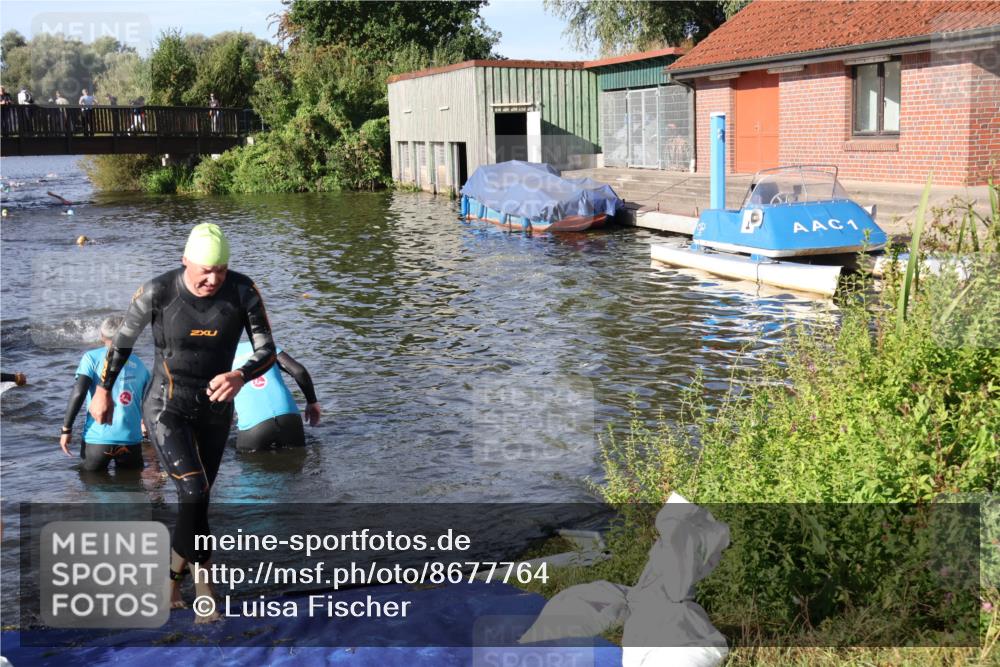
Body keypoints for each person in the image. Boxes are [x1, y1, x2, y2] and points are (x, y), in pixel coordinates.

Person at [88, 222, 275, 621]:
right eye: (205, 269)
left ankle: (170, 581)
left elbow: (267, 350)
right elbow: (121, 343)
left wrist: (240, 374)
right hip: (166, 407)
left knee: (198, 499)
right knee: (192, 488)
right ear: (184, 261)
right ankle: (204, 585)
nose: (213, 279)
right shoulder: (158, 291)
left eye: (221, 270)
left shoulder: (242, 291)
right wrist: (103, 390)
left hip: (215, 408)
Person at [60, 316, 150, 471]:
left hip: (98, 440)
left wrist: (66, 429)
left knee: (92, 489)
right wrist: (145, 424)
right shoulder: (141, 365)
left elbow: (79, 392)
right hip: (130, 441)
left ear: (102, 336)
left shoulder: (91, 358)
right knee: (132, 489)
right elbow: (150, 401)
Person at [232, 341, 320, 451]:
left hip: (254, 426)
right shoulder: (262, 345)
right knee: (296, 463)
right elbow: (299, 372)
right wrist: (312, 402)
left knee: (248, 463)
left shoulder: (220, 357)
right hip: (289, 416)